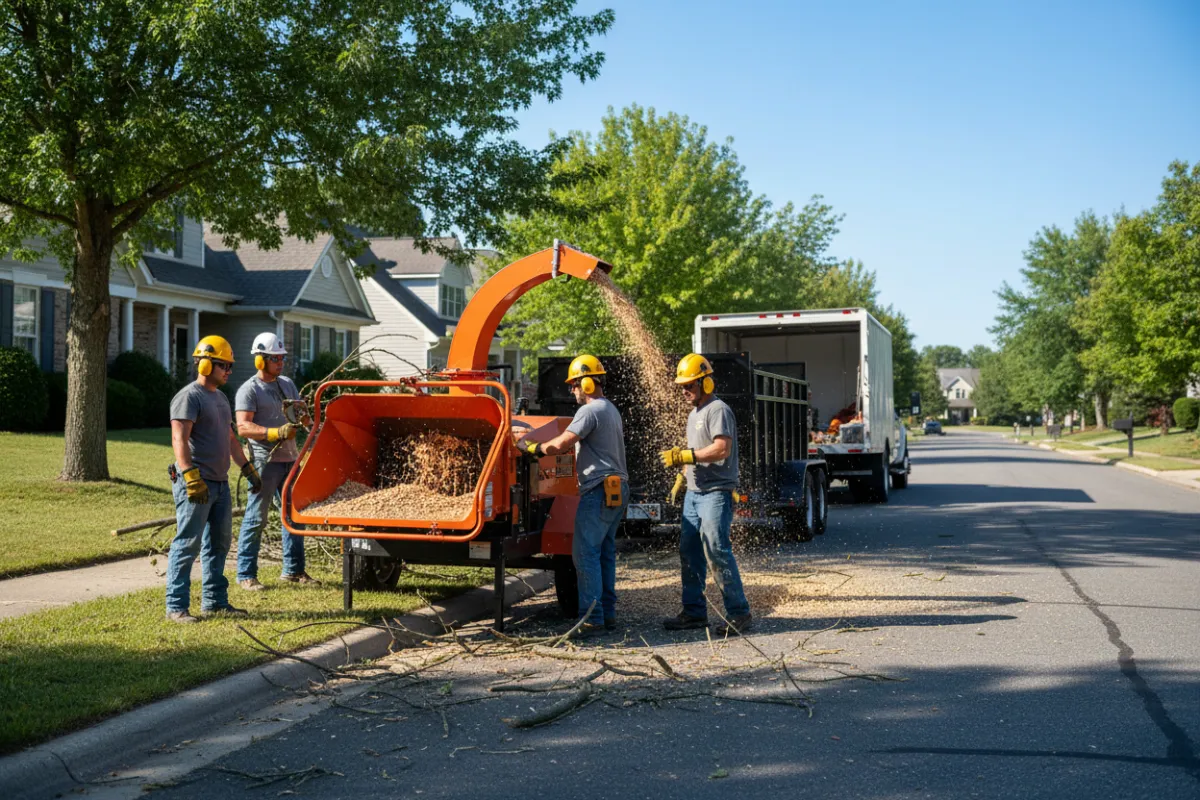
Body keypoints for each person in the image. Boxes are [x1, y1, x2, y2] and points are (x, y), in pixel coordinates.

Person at [518, 354, 628, 635]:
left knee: (584, 554)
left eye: (575, 384)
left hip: (599, 490)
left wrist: (531, 448)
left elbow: (561, 445)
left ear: (588, 383)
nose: (572, 390)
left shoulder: (589, 412)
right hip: (616, 489)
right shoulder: (610, 409)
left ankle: (591, 618)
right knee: (603, 553)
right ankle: (607, 614)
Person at [166, 335, 262, 623]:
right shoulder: (189, 397)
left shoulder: (220, 398)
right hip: (197, 482)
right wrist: (189, 475)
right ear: (206, 363)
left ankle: (215, 601)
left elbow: (231, 439)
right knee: (188, 543)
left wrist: (247, 468)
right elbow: (178, 438)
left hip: (220, 484)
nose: (228, 371)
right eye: (224, 365)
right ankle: (176, 607)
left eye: (230, 366)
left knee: (219, 545)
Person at [659, 353, 752, 635]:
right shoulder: (693, 413)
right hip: (695, 493)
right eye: (682, 386)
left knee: (716, 550)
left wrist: (688, 456)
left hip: (715, 493)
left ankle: (739, 613)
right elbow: (697, 452)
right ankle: (694, 613)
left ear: (706, 383)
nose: (684, 391)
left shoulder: (718, 410)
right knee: (689, 551)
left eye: (689, 385)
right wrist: (682, 475)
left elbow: (721, 448)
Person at [234, 332, 318, 590]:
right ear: (260, 360)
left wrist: (314, 427)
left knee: (294, 515)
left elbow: (302, 416)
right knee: (256, 517)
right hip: (264, 461)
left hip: (290, 459)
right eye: (274, 358)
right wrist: (274, 433)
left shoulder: (287, 385)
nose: (280, 363)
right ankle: (246, 574)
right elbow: (243, 427)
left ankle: (293, 570)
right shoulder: (249, 390)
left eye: (282, 358)